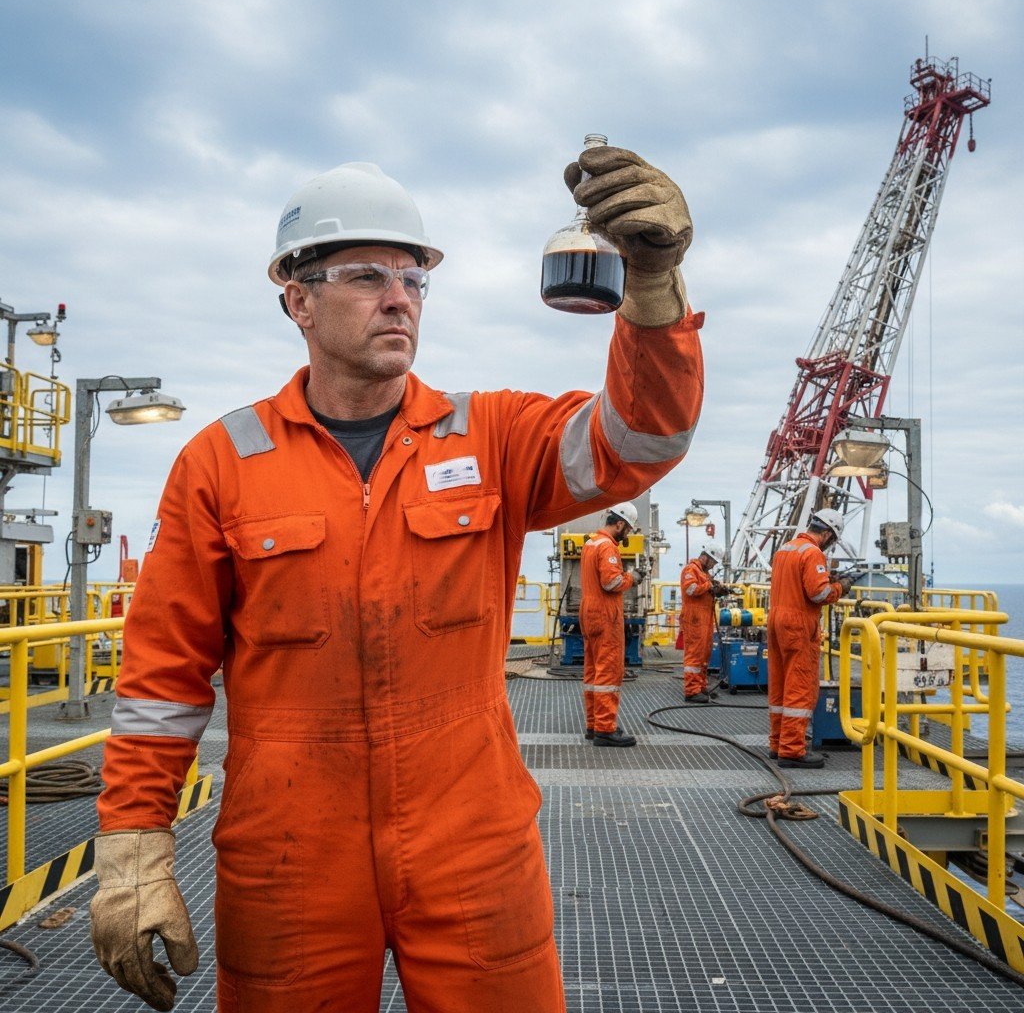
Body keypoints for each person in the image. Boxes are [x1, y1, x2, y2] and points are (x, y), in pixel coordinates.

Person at [88, 147, 705, 1013]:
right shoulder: (222, 464)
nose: (399, 297)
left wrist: (652, 291)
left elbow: (643, 440)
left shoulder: (489, 438)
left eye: (416, 278)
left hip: (473, 848)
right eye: (368, 274)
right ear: (297, 300)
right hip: (290, 858)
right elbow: (162, 681)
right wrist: (135, 848)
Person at [766, 508, 852, 768]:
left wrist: (826, 578)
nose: (829, 545)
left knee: (780, 683)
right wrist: (840, 587)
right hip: (798, 624)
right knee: (799, 686)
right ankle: (792, 750)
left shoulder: (786, 548)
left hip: (776, 620)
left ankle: (778, 742)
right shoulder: (813, 552)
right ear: (826, 533)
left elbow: (797, 582)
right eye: (831, 540)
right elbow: (818, 594)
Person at [579, 502, 646, 747]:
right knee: (607, 671)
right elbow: (611, 582)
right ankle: (606, 729)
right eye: (627, 529)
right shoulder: (608, 546)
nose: (627, 534)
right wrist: (633, 578)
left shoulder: (590, 543)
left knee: (592, 670)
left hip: (588, 611)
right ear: (619, 523)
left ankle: (593, 725)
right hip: (605, 614)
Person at [678, 544, 727, 703]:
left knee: (704, 653)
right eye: (713, 561)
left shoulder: (704, 574)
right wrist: (710, 586)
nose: (713, 565)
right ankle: (691, 691)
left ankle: (700, 687)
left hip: (704, 618)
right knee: (694, 654)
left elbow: (706, 589)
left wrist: (718, 589)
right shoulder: (690, 570)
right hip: (694, 618)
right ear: (705, 556)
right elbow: (690, 589)